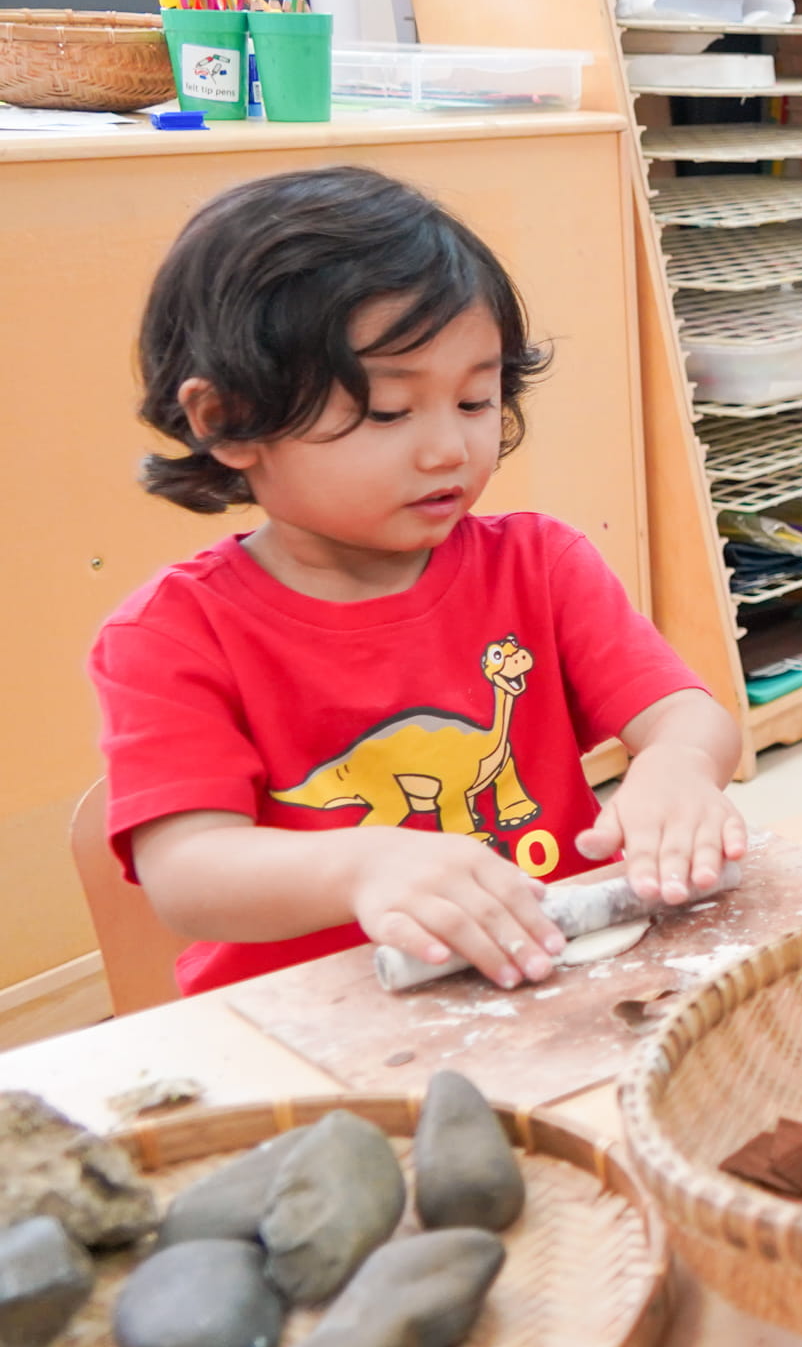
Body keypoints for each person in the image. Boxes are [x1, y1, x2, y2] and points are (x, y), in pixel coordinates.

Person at [91, 169, 746, 994]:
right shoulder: (173, 634)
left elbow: (687, 715)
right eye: (389, 412)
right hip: (321, 1014)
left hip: (551, 979)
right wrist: (363, 866)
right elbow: (186, 873)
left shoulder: (540, 565)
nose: (448, 450)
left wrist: (677, 766)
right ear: (228, 421)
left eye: (475, 401)